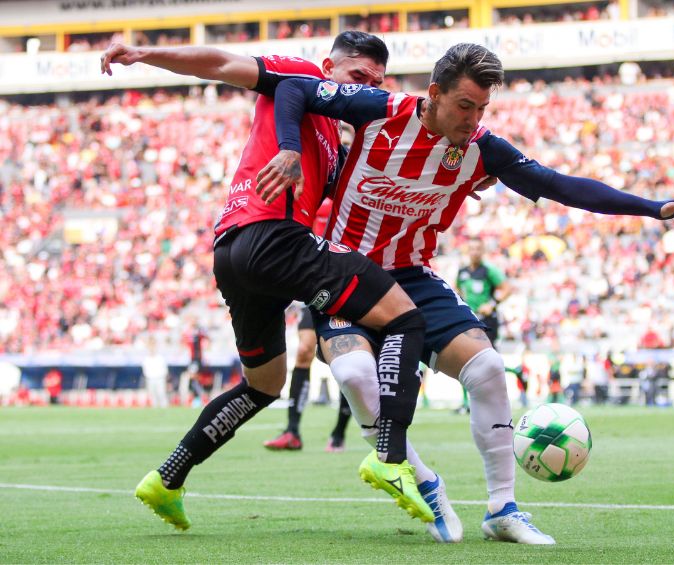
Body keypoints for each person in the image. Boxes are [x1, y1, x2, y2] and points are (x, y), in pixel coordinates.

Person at [262, 42, 674, 544]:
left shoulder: (481, 148)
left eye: (482, 109)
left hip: (410, 276)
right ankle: (426, 482)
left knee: (489, 369)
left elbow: (561, 186)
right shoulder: (378, 110)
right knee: (356, 375)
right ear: (434, 94)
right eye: (464, 106)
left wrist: (655, 208)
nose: (473, 119)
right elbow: (295, 88)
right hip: (343, 274)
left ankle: (503, 509)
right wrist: (289, 149)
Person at [101, 31, 436, 531]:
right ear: (329, 66)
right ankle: (390, 458)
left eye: (375, 82)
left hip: (235, 255)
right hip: (270, 239)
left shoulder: (333, 140)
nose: (364, 88)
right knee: (406, 317)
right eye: (357, 77)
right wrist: (147, 55)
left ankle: (167, 479)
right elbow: (219, 63)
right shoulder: (297, 77)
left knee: (264, 384)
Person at [263, 304, 352, 452]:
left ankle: (339, 433)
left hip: (342, 294)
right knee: (303, 350)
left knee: (344, 356)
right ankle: (292, 431)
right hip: (313, 296)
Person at [454, 237, 511, 412]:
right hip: (469, 321)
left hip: (488, 322)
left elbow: (506, 288)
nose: (474, 252)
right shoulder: (462, 272)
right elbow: (456, 290)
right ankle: (467, 403)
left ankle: (499, 397)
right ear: (467, 251)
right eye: (471, 249)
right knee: (465, 360)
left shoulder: (489, 271)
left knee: (490, 360)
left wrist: (492, 303)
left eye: (478, 249)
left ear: (483, 251)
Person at [142, 336, 170, 408]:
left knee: (161, 394)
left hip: (160, 378)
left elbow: (164, 368)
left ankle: (165, 409)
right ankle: (155, 411)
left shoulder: (160, 357)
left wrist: (164, 376)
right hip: (150, 378)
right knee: (153, 396)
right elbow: (145, 369)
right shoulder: (146, 358)